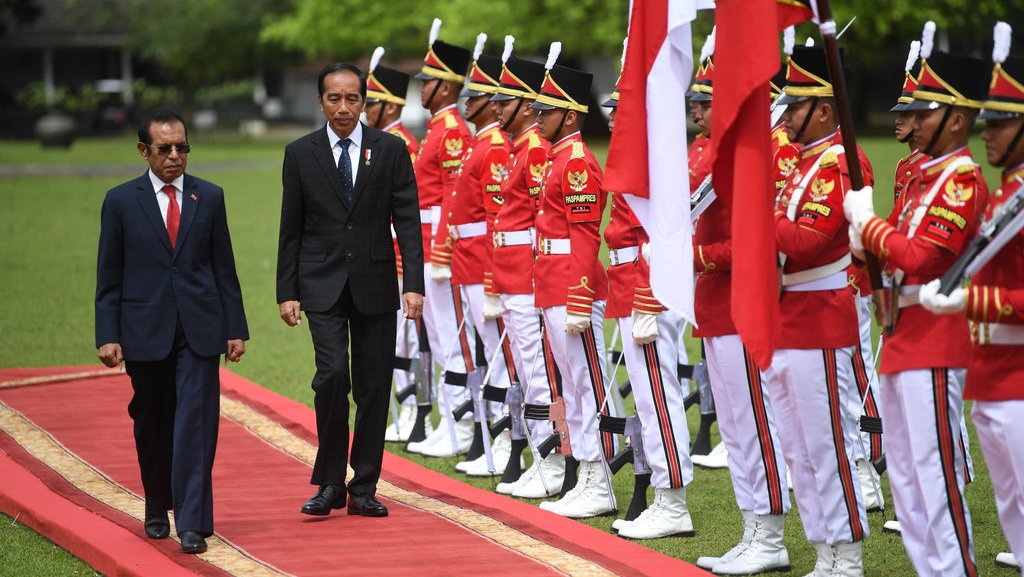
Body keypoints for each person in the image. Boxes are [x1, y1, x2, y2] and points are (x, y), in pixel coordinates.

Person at [845, 30, 989, 575]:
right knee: (904, 474)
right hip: (902, 329)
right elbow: (891, 259)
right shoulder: (923, 177)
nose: (912, 122)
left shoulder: (959, 182)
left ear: (955, 119)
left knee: (933, 471)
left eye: (924, 112)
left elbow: (924, 258)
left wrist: (868, 223)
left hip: (934, 333)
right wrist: (862, 248)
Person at [95, 108, 248, 554]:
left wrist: (235, 327)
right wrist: (108, 333)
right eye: (165, 148)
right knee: (153, 421)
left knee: (196, 425)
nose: (176, 156)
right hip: (144, 330)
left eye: (183, 147)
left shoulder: (210, 196)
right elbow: (109, 275)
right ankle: (158, 505)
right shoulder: (121, 201)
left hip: (201, 330)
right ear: (144, 151)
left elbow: (225, 268)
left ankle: (194, 522)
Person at [276, 62, 424, 519]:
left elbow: (409, 223)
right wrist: (287, 290)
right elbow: (291, 227)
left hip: (376, 284)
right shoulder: (300, 153)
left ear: (365, 101)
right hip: (320, 284)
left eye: (352, 98)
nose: (344, 107)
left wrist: (413, 285)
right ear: (320, 101)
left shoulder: (390, 150)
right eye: (334, 98)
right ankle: (328, 482)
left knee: (374, 386)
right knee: (333, 376)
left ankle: (363, 486)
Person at [919, 24, 1024, 575]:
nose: (988, 133)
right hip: (991, 373)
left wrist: (970, 302)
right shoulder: (1009, 190)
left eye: (1002, 122)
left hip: (1020, 374)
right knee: (1012, 514)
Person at [769, 45, 873, 575]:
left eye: (795, 107)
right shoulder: (802, 165)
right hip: (789, 314)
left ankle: (847, 552)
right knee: (798, 448)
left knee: (827, 443)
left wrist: (754, 213)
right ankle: (823, 550)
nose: (784, 117)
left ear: (825, 111)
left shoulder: (839, 164)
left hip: (821, 311)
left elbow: (808, 242)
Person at [686, 56, 792, 575]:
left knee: (754, 426)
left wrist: (698, 258)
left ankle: (770, 533)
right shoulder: (711, 151)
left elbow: (756, 237)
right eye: (697, 103)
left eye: (707, 102)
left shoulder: (754, 153)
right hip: (712, 302)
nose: (698, 111)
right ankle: (753, 529)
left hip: (739, 302)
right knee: (733, 427)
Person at [600, 55, 695, 541]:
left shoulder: (656, 159)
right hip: (630, 286)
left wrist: (649, 300)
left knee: (659, 397)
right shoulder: (637, 155)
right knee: (649, 397)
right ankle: (666, 493)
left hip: (646, 286)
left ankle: (673, 499)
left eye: (621, 109)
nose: (612, 117)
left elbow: (662, 234)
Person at [530, 44, 616, 519]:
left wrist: (581, 295)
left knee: (588, 385)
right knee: (574, 384)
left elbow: (586, 237)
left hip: (571, 285)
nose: (537, 118)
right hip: (553, 281)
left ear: (568, 115)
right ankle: (588, 473)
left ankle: (599, 479)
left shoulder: (578, 162)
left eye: (546, 111)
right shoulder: (559, 158)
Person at [487, 41, 565, 498]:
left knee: (540, 372)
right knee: (528, 370)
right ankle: (544, 456)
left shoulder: (534, 148)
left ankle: (554, 461)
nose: (497, 107)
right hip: (512, 272)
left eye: (504, 100)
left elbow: (542, 218)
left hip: (529, 273)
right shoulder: (521, 147)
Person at [404, 20, 478, 458]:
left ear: (447, 87)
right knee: (437, 332)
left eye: (430, 81)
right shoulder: (437, 127)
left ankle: (463, 424)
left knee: (452, 338)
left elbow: (454, 196)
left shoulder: (451, 131)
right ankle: (452, 420)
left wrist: (443, 250)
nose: (424, 87)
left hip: (440, 244)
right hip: (426, 240)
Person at [362, 47, 428, 445]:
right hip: (384, 256)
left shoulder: (402, 144)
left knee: (411, 341)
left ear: (387, 105)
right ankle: (404, 408)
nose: (364, 109)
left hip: (402, 257)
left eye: (369, 102)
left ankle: (413, 409)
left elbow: (409, 210)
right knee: (396, 343)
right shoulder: (380, 142)